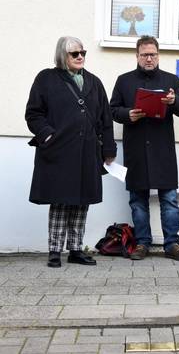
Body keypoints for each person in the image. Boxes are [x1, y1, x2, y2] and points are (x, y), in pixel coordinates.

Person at [26, 36, 117, 268]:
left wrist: (108, 148)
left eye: (83, 53)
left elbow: (106, 118)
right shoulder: (46, 78)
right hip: (58, 150)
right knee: (60, 201)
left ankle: (76, 249)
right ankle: (55, 250)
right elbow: (34, 113)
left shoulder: (94, 82)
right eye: (74, 53)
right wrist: (47, 135)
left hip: (87, 151)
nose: (80, 57)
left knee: (81, 201)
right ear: (62, 56)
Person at [110, 35, 179, 262]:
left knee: (169, 199)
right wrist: (128, 114)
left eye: (153, 54)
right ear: (136, 56)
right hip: (136, 147)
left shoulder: (171, 80)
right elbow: (112, 110)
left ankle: (172, 244)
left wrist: (174, 101)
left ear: (158, 56)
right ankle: (142, 243)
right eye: (144, 54)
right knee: (138, 199)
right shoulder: (124, 80)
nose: (149, 59)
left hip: (162, 148)